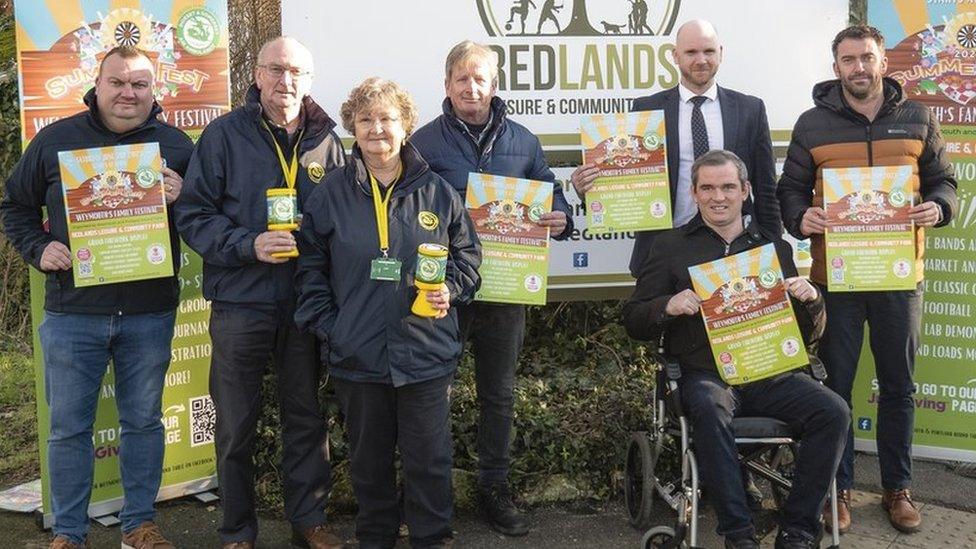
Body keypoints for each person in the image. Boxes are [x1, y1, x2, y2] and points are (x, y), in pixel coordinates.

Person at [0, 46, 191, 549]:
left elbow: (205, 217)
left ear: (155, 90)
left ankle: (140, 526)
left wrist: (183, 195)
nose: (128, 93)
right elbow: (14, 207)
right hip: (73, 314)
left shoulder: (176, 145)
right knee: (67, 431)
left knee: (144, 422)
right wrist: (39, 248)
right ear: (98, 84)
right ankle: (68, 533)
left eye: (140, 84)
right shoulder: (55, 140)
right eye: (118, 82)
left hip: (149, 311)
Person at [777, 25, 958, 535]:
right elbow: (788, 190)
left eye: (867, 58)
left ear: (883, 64)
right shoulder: (812, 124)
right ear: (836, 67)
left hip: (900, 276)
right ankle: (839, 489)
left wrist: (938, 206)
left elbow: (946, 181)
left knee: (898, 386)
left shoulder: (919, 117)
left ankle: (898, 489)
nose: (859, 67)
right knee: (835, 389)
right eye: (849, 59)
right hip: (835, 278)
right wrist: (801, 219)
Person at [623, 150, 849, 549]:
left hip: (769, 373)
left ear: (745, 191)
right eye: (707, 188)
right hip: (706, 376)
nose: (718, 196)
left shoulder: (773, 250)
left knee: (834, 411)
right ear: (694, 193)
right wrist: (667, 306)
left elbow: (807, 336)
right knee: (710, 408)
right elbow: (634, 319)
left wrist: (812, 300)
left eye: (728, 186)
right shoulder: (670, 247)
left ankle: (797, 530)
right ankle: (739, 534)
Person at [174, 37, 345, 549]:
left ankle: (309, 521)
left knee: (306, 419)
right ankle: (236, 532)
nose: (285, 81)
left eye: (296, 71)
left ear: (309, 79)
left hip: (304, 305)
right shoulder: (224, 136)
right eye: (275, 70)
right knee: (234, 423)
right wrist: (247, 243)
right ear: (256, 73)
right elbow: (192, 214)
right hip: (240, 302)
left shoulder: (329, 142)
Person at [295, 77, 481, 549]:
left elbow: (468, 260)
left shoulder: (438, 192)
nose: (377, 128)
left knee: (429, 461)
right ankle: (375, 538)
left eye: (387, 119)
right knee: (368, 462)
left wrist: (451, 290)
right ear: (352, 128)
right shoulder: (330, 194)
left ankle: (432, 539)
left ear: (405, 126)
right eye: (366, 119)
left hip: (425, 350)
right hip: (357, 354)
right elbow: (310, 270)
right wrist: (332, 329)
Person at [410, 40, 574, 536]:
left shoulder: (524, 141)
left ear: (495, 85)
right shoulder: (421, 142)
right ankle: (427, 493)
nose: (471, 87)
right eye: (462, 78)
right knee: (430, 391)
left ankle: (493, 487)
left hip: (505, 290)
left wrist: (560, 216)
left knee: (498, 394)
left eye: (480, 78)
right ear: (446, 86)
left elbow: (552, 192)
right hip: (445, 288)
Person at [571, 19, 780, 278]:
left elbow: (766, 189)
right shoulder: (646, 110)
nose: (701, 60)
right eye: (691, 52)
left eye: (709, 51)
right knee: (663, 317)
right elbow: (624, 182)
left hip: (736, 253)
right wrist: (589, 190)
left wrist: (776, 250)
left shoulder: (750, 109)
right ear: (675, 56)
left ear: (721, 54)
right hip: (666, 249)